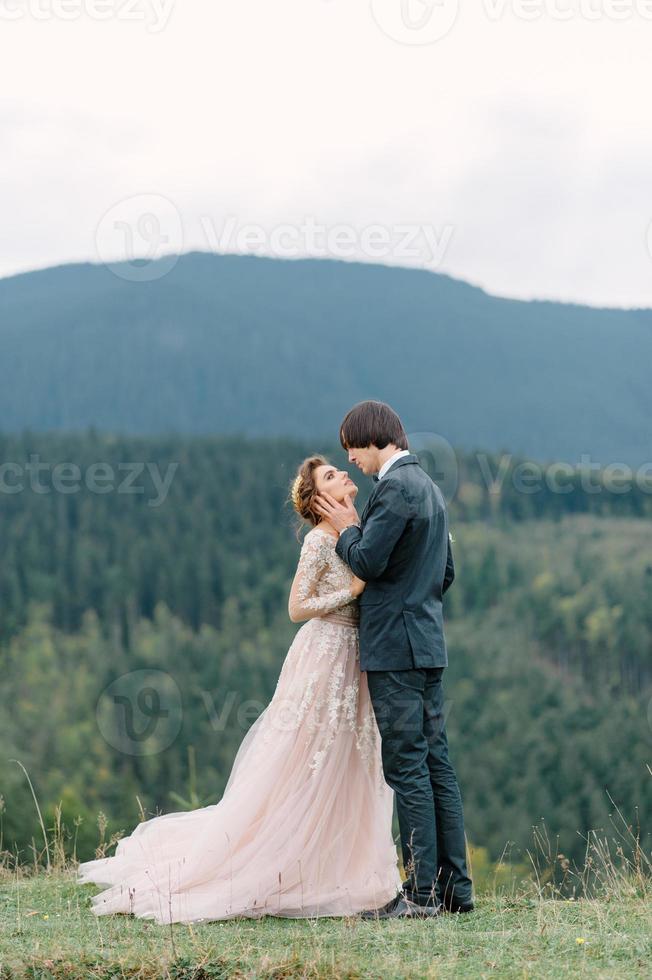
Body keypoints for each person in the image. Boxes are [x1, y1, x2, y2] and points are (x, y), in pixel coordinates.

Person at [76, 454, 401, 924]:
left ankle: (338, 863)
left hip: (358, 660)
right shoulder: (318, 541)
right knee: (308, 755)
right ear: (318, 499)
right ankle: (280, 857)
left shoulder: (358, 533)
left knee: (351, 758)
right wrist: (351, 592)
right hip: (325, 654)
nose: (343, 474)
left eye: (338, 468)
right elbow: (297, 606)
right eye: (331, 475)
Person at [314, 400, 474, 919]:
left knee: (406, 767)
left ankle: (421, 895)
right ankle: (455, 890)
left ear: (371, 439)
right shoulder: (427, 486)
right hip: (426, 643)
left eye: (351, 449)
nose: (352, 461)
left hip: (396, 651)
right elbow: (444, 572)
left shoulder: (395, 488)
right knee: (436, 764)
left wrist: (344, 528)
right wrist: (415, 597)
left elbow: (366, 560)